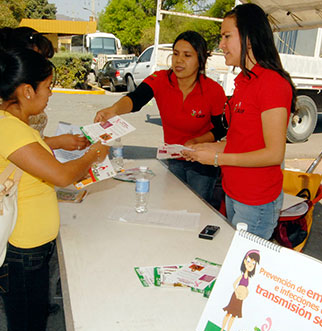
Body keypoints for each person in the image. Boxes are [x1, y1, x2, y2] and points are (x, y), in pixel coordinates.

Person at [0, 46, 109, 331]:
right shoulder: (9, 129)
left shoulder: (10, 120)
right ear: (27, 91)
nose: (50, 94)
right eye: (48, 86)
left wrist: (59, 142)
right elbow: (65, 176)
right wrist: (95, 154)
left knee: (34, 320)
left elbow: (28, 150)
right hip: (21, 253)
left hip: (32, 249)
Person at [183, 3, 296, 239]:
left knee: (241, 272)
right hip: (234, 192)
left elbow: (274, 154)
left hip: (256, 201)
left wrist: (216, 158)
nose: (221, 44)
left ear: (249, 37)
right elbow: (243, 142)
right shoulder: (245, 82)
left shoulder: (272, 84)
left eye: (226, 36)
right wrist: (206, 148)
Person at [94, 31, 227, 205]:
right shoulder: (161, 79)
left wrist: (197, 141)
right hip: (173, 159)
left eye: (187, 55)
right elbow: (137, 98)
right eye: (176, 54)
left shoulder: (213, 90)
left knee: (198, 208)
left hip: (203, 161)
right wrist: (114, 110)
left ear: (200, 59)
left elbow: (220, 128)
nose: (179, 60)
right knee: (171, 203)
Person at [219, 249, 259, 331]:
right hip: (236, 296)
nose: (250, 265)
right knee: (229, 313)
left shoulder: (248, 278)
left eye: (253, 263)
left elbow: (246, 288)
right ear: (245, 261)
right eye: (249, 261)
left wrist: (246, 293)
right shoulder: (241, 276)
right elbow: (234, 284)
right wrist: (237, 292)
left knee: (234, 316)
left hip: (241, 298)